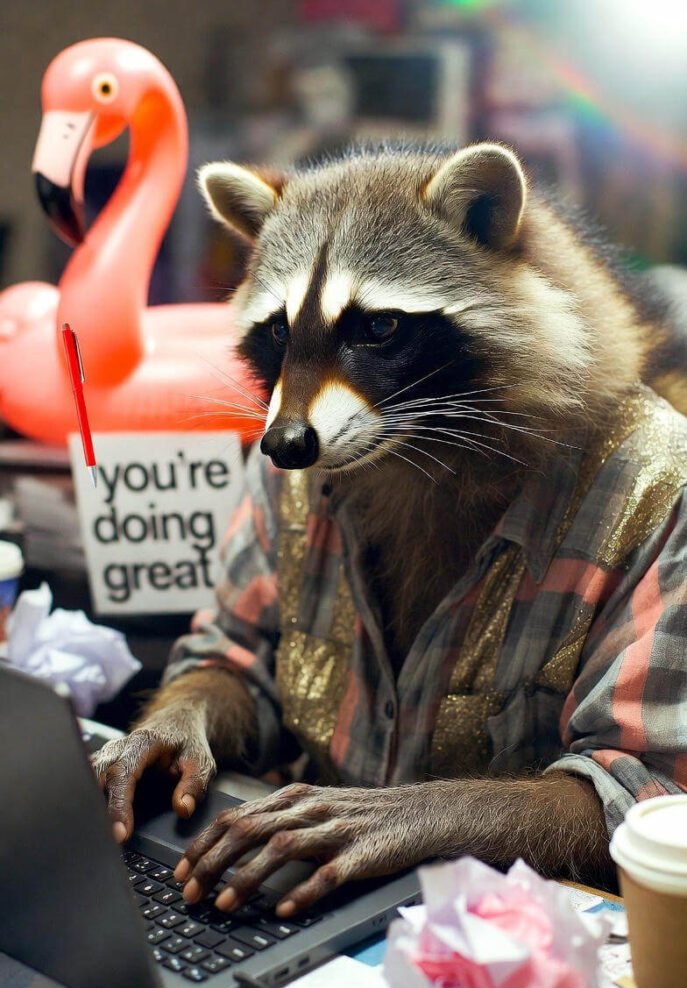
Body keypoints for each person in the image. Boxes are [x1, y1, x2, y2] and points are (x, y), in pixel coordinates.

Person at [93, 143, 687, 919]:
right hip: (293, 907)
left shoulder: (651, 491)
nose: (290, 423)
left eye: (376, 329)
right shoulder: (296, 469)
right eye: (280, 339)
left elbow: (648, 795)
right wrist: (181, 717)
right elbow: (235, 659)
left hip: (518, 948)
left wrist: (412, 820)